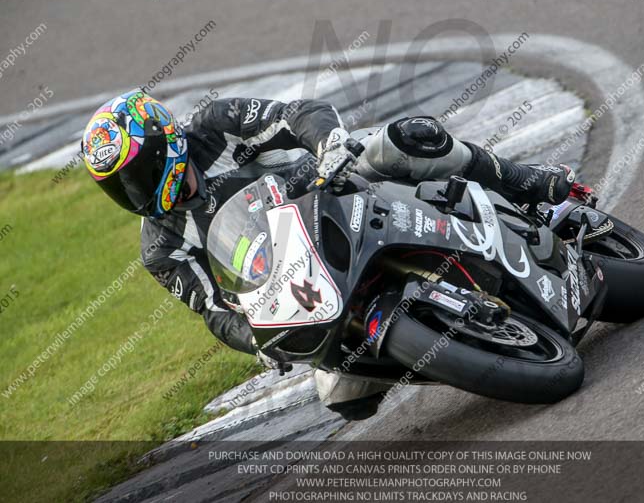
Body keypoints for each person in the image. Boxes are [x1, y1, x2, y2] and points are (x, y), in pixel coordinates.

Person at [81, 89, 574, 419]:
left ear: (166, 141)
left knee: (404, 141)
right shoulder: (160, 247)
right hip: (308, 281)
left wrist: (328, 144)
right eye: (118, 187)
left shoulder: (213, 125)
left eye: (137, 172)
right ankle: (461, 342)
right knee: (342, 394)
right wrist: (255, 339)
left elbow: (295, 115)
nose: (133, 192)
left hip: (339, 190)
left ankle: (521, 181)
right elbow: (214, 310)